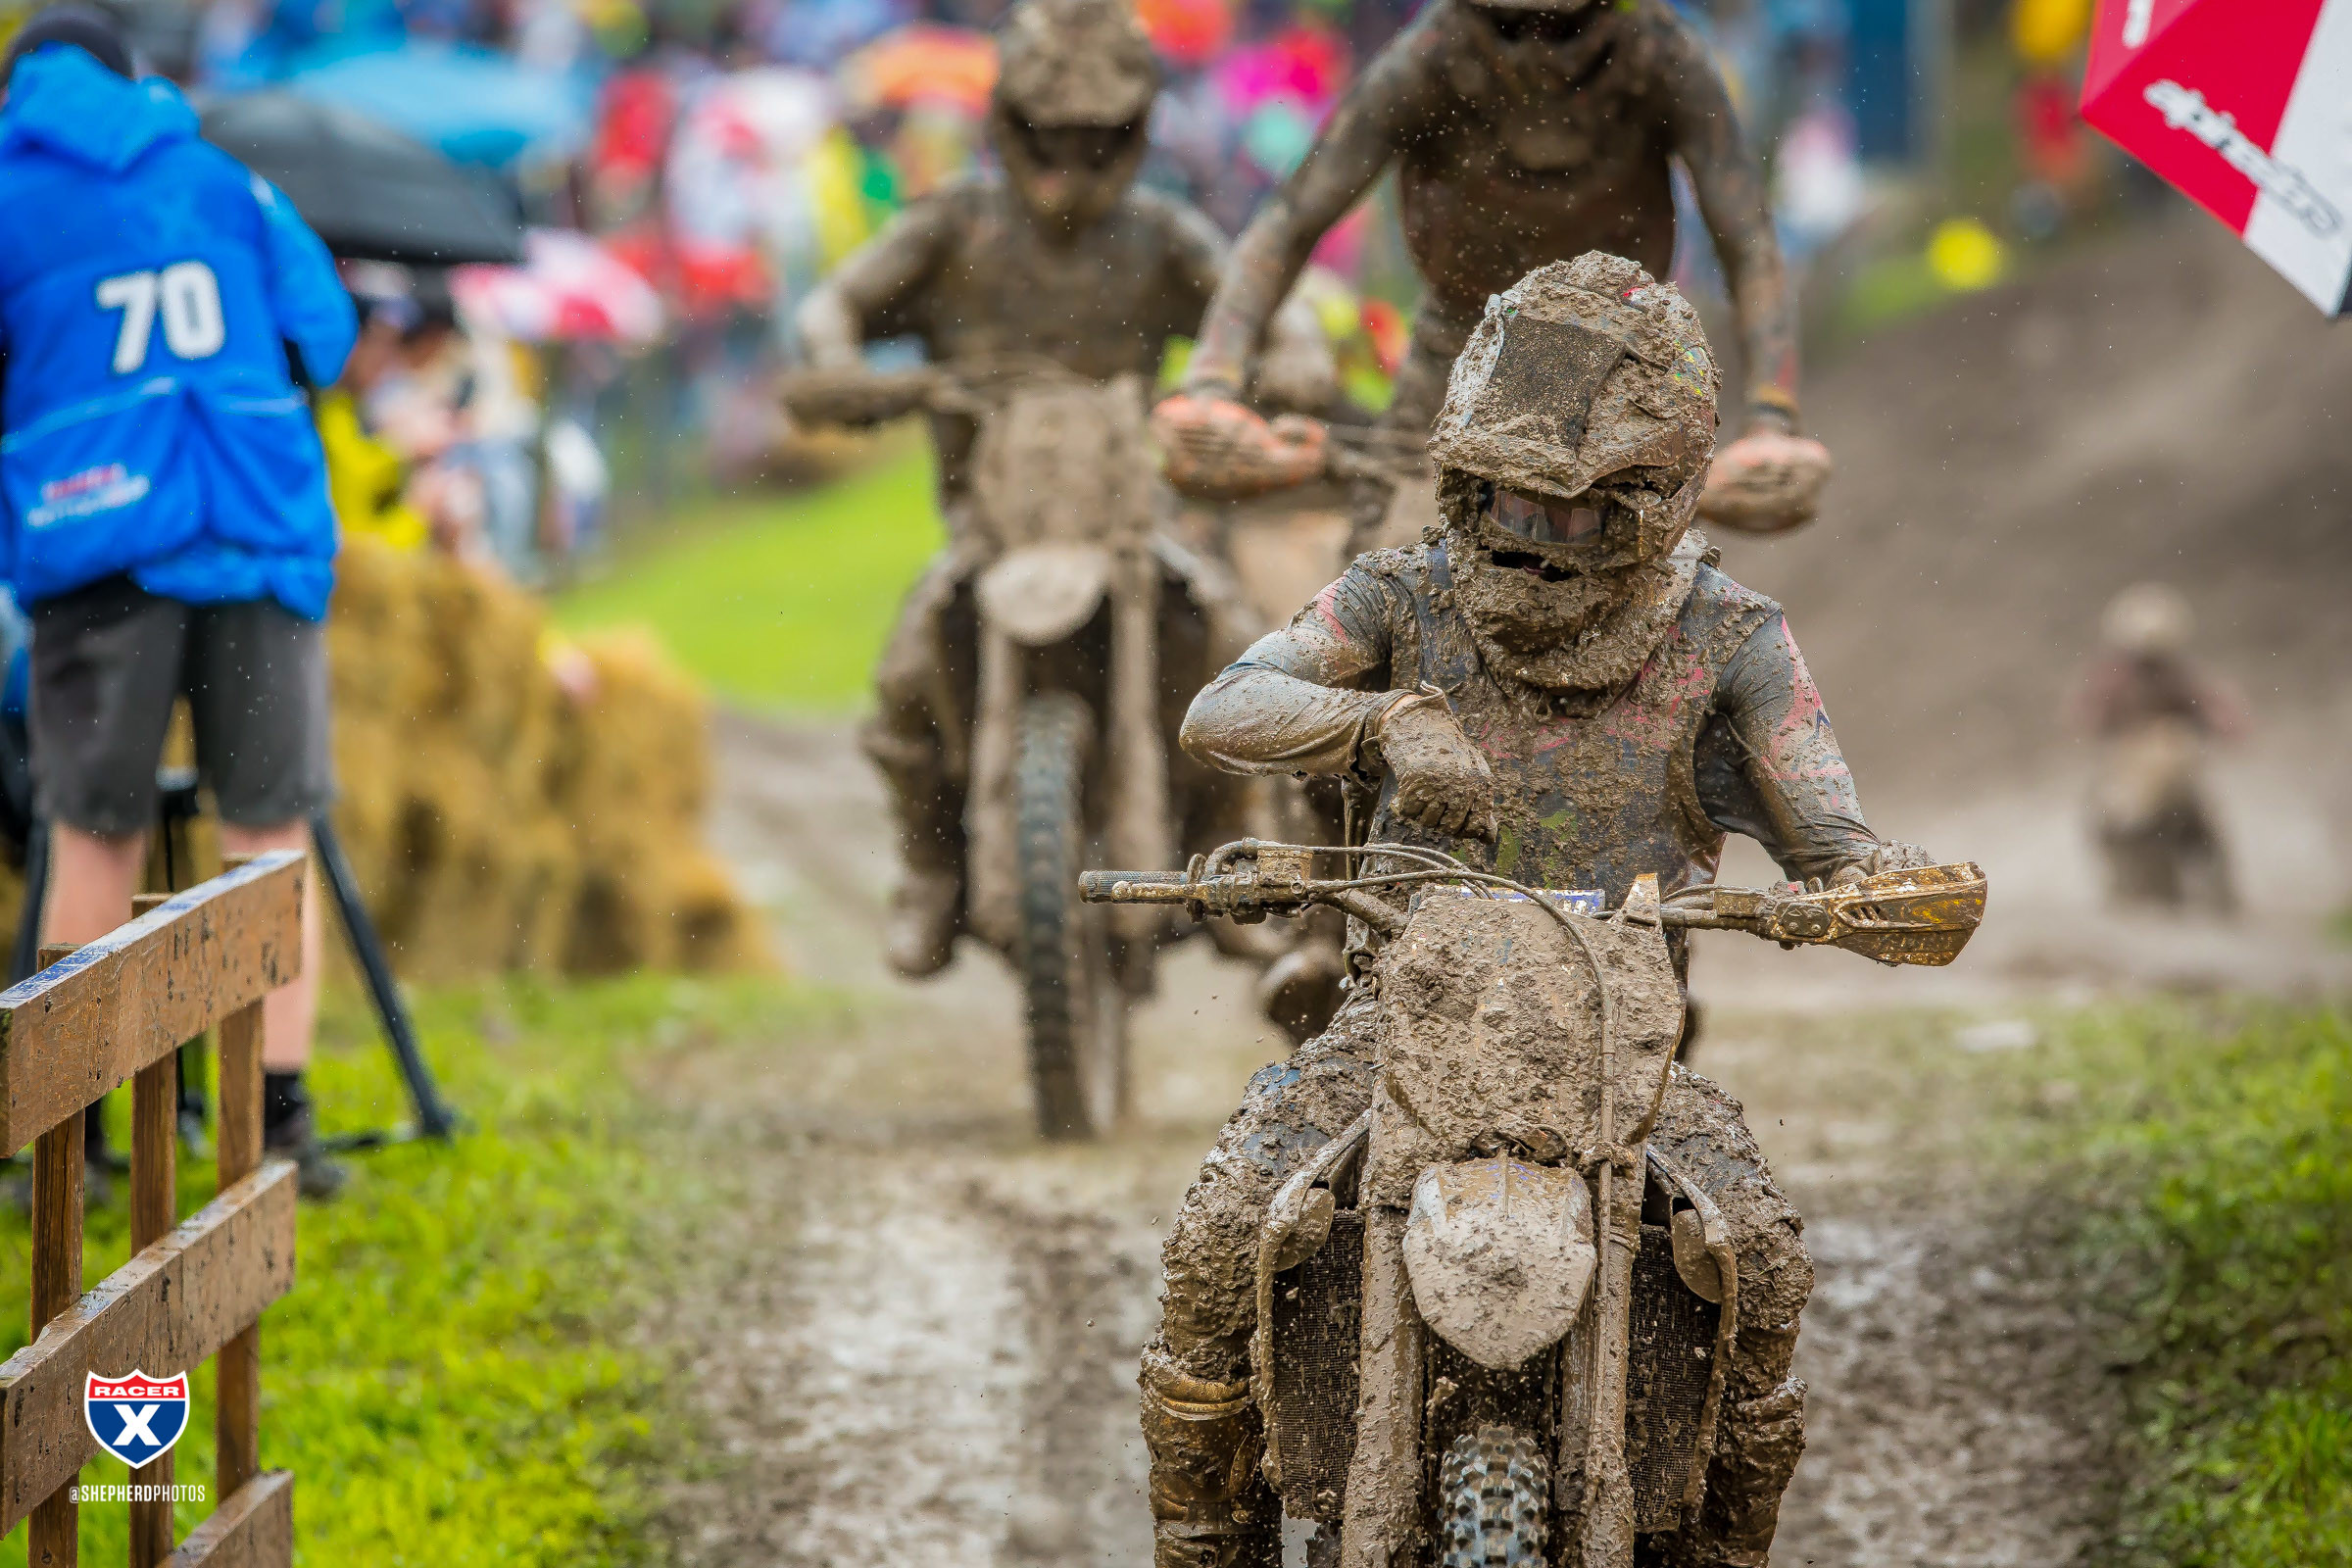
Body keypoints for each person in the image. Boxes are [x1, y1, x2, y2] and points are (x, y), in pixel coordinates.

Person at [1143, 254, 1936, 1568]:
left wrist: (1863, 892)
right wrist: (1384, 718)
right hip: (1395, 1031)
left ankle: (1728, 1548)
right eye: (1511, 496)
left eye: (1579, 511)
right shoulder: (1401, 595)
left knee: (1763, 1273)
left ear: (1659, 496)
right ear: (1464, 475)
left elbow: (1831, 835)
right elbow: (1224, 704)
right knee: (1224, 1237)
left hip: (1622, 1066)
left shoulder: (1731, 638)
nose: (1535, 533)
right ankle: (1201, 1541)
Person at [791, 0, 1333, 976]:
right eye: (1049, 139)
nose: (1070, 165)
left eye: (1096, 141)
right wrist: (845, 365)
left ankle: (1222, 853)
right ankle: (928, 866)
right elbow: (833, 301)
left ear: (1133, 133)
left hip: (1132, 515)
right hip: (990, 527)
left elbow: (1262, 307)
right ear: (1008, 123)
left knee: (1226, 649)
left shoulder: (1161, 235)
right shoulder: (953, 226)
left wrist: (1286, 361)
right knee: (910, 674)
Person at [0, 11, 359, 1196]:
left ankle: (74, 1136)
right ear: (132, 79)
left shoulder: (10, 195)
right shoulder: (220, 176)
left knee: (92, 829)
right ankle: (275, 1120)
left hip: (96, 537)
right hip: (253, 531)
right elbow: (325, 331)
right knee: (268, 828)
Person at [1154, 0, 1832, 547]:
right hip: (1453, 364)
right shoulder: (1433, 56)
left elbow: (1748, 242)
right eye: (1513, 27)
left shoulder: (1659, 53)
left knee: (1671, 616)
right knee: (1387, 590)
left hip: (1622, 372)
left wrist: (1772, 418)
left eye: (1561, 28)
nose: (1539, 50)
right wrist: (1213, 383)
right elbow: (1291, 219)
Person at [2072, 582, 2246, 910]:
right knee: (2118, 832)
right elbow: (2089, 717)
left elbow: (2219, 712)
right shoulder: (2114, 678)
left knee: (2201, 839)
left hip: (2170, 777)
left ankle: (2215, 904)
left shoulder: (2180, 675)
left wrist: (2220, 727)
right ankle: (2138, 899)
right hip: (2131, 779)